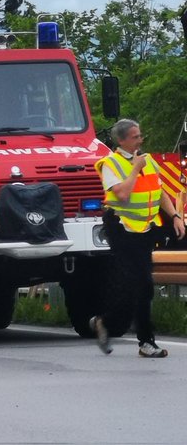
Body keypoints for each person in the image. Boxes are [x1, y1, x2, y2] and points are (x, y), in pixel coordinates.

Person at [90, 119, 184, 357]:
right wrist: (134, 169)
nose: (140, 140)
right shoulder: (110, 163)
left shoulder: (148, 161)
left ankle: (106, 323)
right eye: (135, 137)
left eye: (140, 135)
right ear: (121, 140)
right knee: (141, 284)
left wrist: (174, 215)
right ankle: (145, 341)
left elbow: (159, 190)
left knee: (135, 286)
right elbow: (121, 194)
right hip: (121, 229)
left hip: (144, 229)